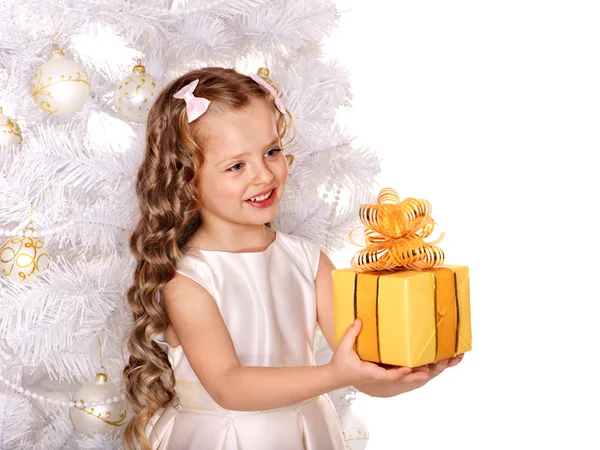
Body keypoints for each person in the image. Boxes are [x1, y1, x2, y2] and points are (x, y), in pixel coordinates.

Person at [122, 67, 464, 450]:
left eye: (272, 151)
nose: (264, 175)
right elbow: (228, 386)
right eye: (237, 165)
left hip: (306, 435)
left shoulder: (308, 261)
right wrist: (333, 375)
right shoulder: (187, 280)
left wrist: (409, 370)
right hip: (224, 438)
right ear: (186, 179)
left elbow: (361, 370)